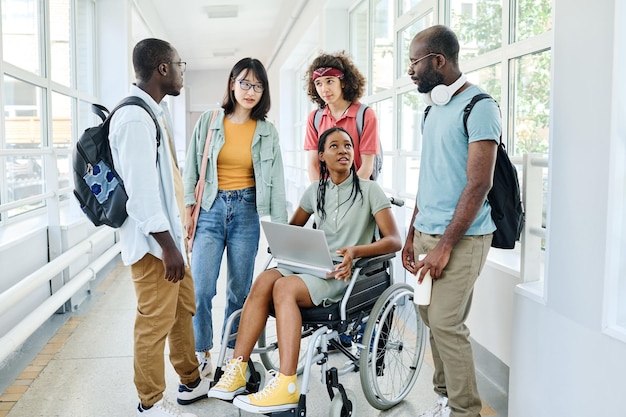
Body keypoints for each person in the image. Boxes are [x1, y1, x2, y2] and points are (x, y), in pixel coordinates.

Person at [206, 126, 401, 414]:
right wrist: (285, 243)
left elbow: (394, 240)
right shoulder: (315, 191)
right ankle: (238, 368)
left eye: (348, 145)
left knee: (283, 287)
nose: (344, 151)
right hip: (312, 265)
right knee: (263, 281)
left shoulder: (370, 190)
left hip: (343, 274)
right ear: (321, 156)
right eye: (334, 146)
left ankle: (286, 384)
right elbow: (293, 229)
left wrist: (356, 251)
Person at [402, 26, 501, 417]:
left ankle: (465, 411)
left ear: (438, 61)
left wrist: (444, 245)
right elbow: (429, 177)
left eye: (415, 62)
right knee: (428, 315)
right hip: (427, 231)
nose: (410, 70)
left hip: (465, 237)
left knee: (445, 322)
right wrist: (412, 233)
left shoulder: (479, 107)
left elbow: (479, 183)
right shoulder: (432, 109)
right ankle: (445, 397)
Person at [109, 38, 207, 417]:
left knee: (183, 310)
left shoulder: (152, 112)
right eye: (179, 64)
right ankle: (149, 403)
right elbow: (142, 192)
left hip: (169, 242)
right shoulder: (134, 117)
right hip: (154, 247)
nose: (183, 71)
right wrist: (167, 246)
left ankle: (191, 381)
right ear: (163, 68)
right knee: (153, 323)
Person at [182, 58, 287, 380]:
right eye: (244, 83)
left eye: (257, 85)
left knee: (239, 292)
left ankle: (232, 355)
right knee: (201, 288)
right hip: (210, 211)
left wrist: (281, 235)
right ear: (232, 84)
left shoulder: (267, 132)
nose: (250, 91)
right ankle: (202, 352)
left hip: (247, 213)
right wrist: (189, 209)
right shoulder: (210, 121)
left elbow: (278, 182)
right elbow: (191, 169)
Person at [304, 51, 379, 182]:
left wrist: (346, 196)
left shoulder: (365, 115)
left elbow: (367, 167)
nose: (324, 89)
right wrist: (320, 195)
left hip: (358, 193)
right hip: (326, 195)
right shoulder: (314, 118)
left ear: (343, 82)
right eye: (318, 83)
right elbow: (313, 165)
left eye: (329, 81)